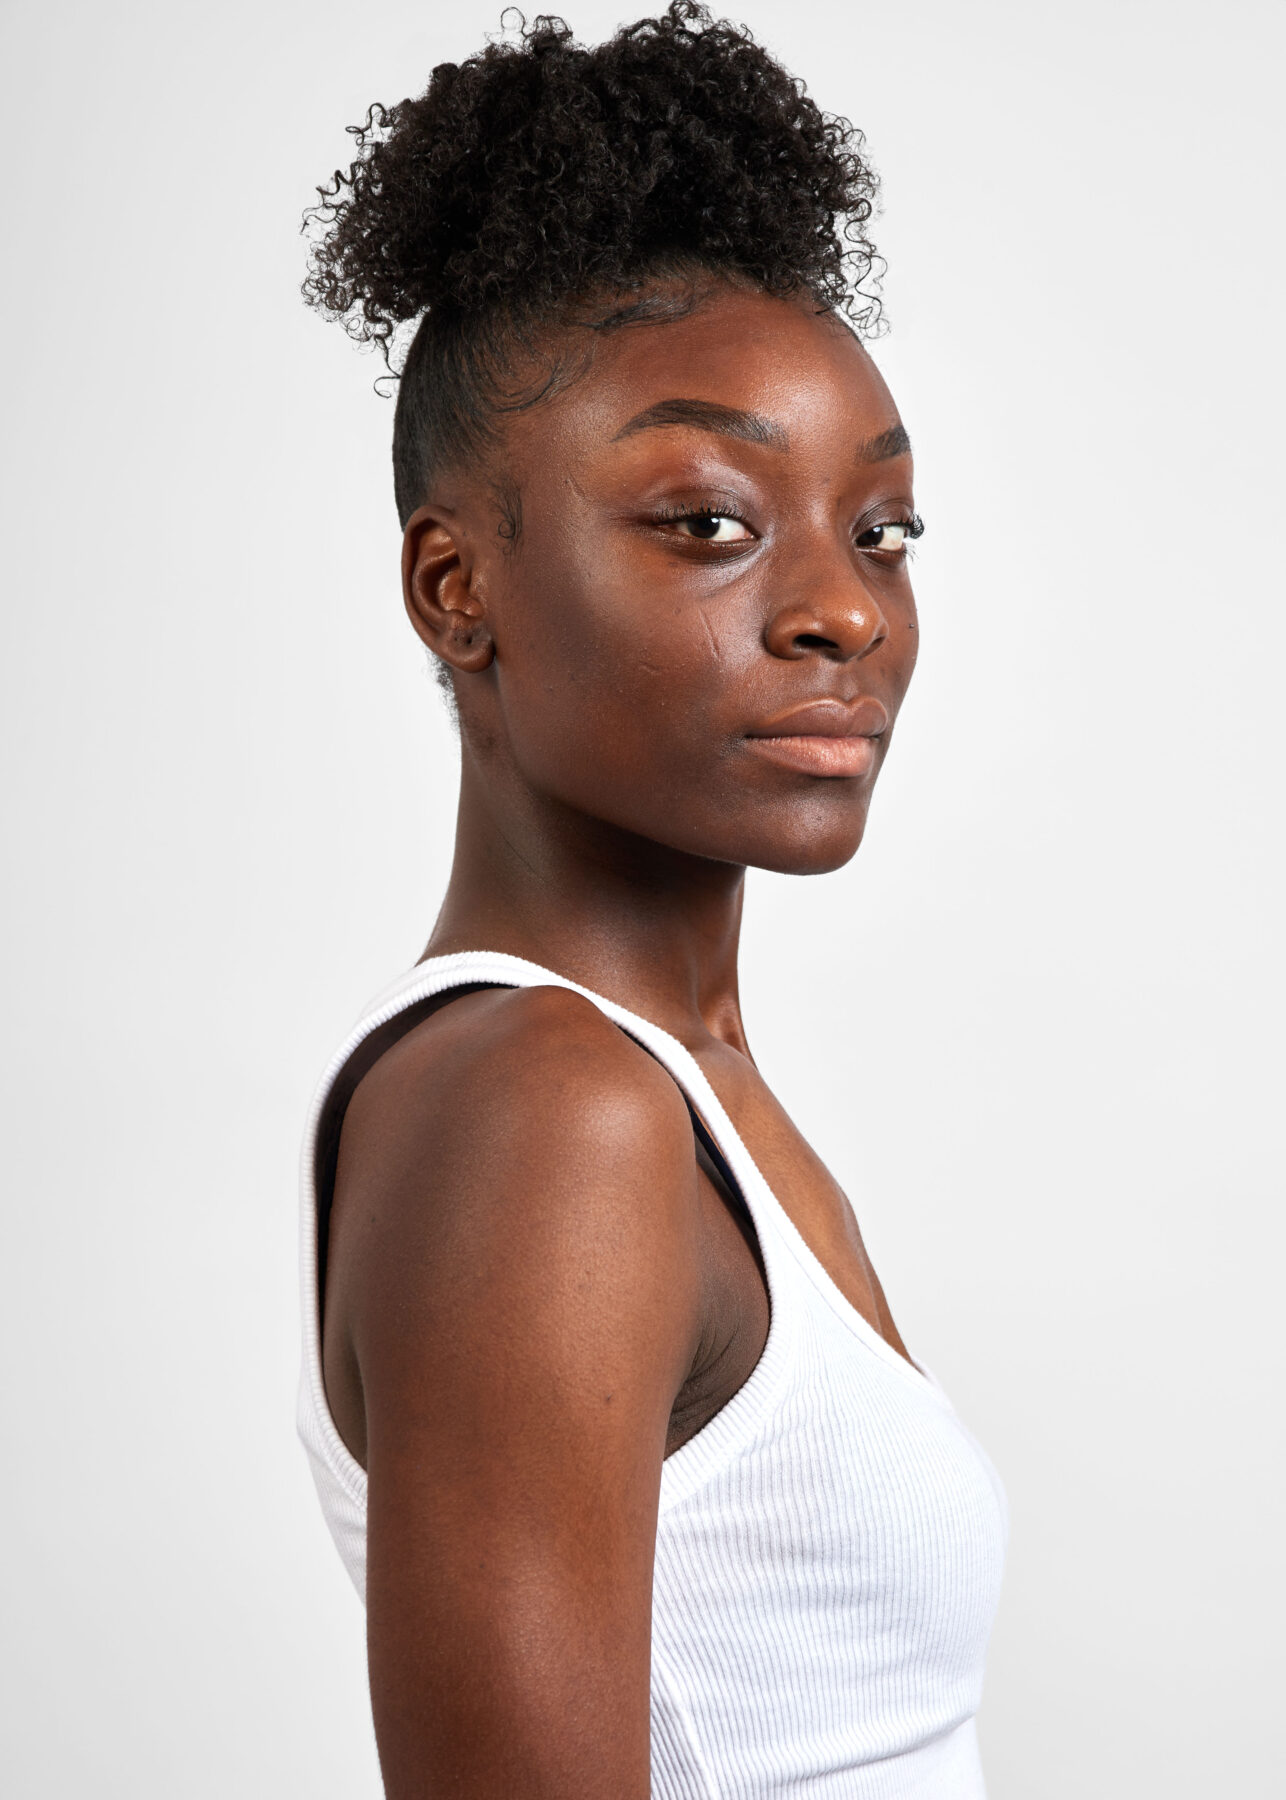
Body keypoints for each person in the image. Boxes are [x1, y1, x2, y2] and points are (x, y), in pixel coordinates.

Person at [297, 5, 1008, 1794]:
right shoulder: (550, 1113)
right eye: (707, 521)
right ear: (457, 590)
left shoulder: (669, 1088)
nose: (843, 611)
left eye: (881, 529)